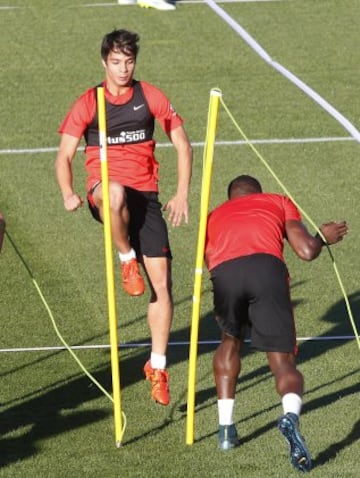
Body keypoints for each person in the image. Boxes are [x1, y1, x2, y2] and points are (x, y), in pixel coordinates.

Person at [55, 29, 193, 406]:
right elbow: (64, 156)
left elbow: (182, 144)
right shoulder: (90, 102)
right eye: (116, 62)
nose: (123, 68)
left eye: (129, 61)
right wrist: (69, 192)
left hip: (146, 197)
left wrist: (181, 193)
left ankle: (158, 366)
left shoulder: (150, 96)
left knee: (163, 287)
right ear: (104, 62)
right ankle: (125, 259)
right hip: (106, 191)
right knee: (113, 192)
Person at [204, 175, 348, 472]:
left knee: (229, 342)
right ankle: (290, 417)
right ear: (259, 192)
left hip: (224, 274)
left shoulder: (214, 215)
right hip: (266, 270)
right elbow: (306, 251)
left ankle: (226, 431)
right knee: (283, 363)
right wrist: (323, 236)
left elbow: (208, 259)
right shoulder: (277, 201)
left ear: (231, 197)